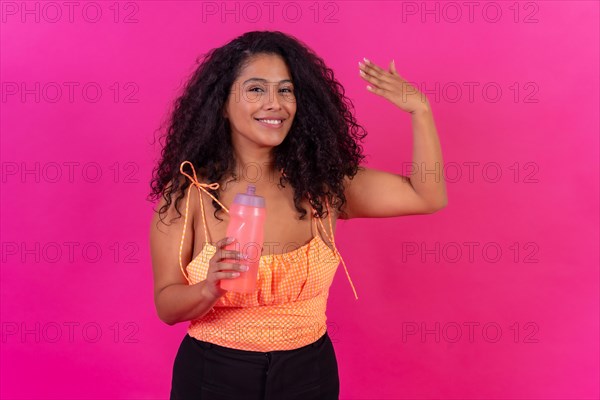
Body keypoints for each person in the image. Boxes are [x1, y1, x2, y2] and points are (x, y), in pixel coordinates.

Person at [148, 30, 447, 399]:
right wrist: (208, 288)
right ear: (221, 103)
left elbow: (426, 195)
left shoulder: (324, 186)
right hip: (213, 374)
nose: (274, 103)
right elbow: (167, 304)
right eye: (256, 89)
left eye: (285, 90)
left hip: (309, 375)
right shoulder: (189, 192)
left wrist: (421, 111)